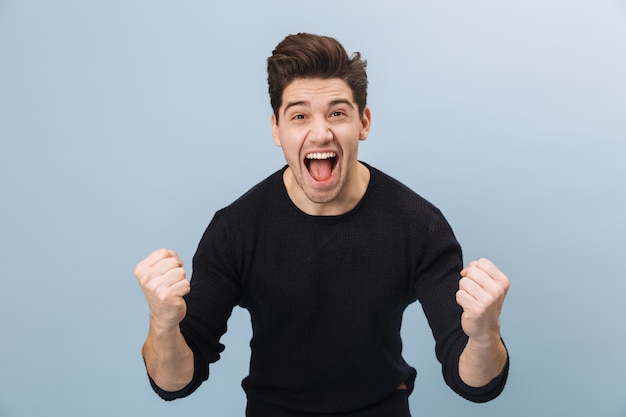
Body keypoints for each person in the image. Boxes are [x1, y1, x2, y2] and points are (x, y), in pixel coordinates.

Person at [134, 33, 510, 416]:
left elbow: (474, 384)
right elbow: (175, 383)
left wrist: (484, 335)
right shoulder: (236, 230)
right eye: (299, 116)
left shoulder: (418, 226)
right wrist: (163, 325)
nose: (320, 133)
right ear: (276, 129)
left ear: (363, 122)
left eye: (337, 113)